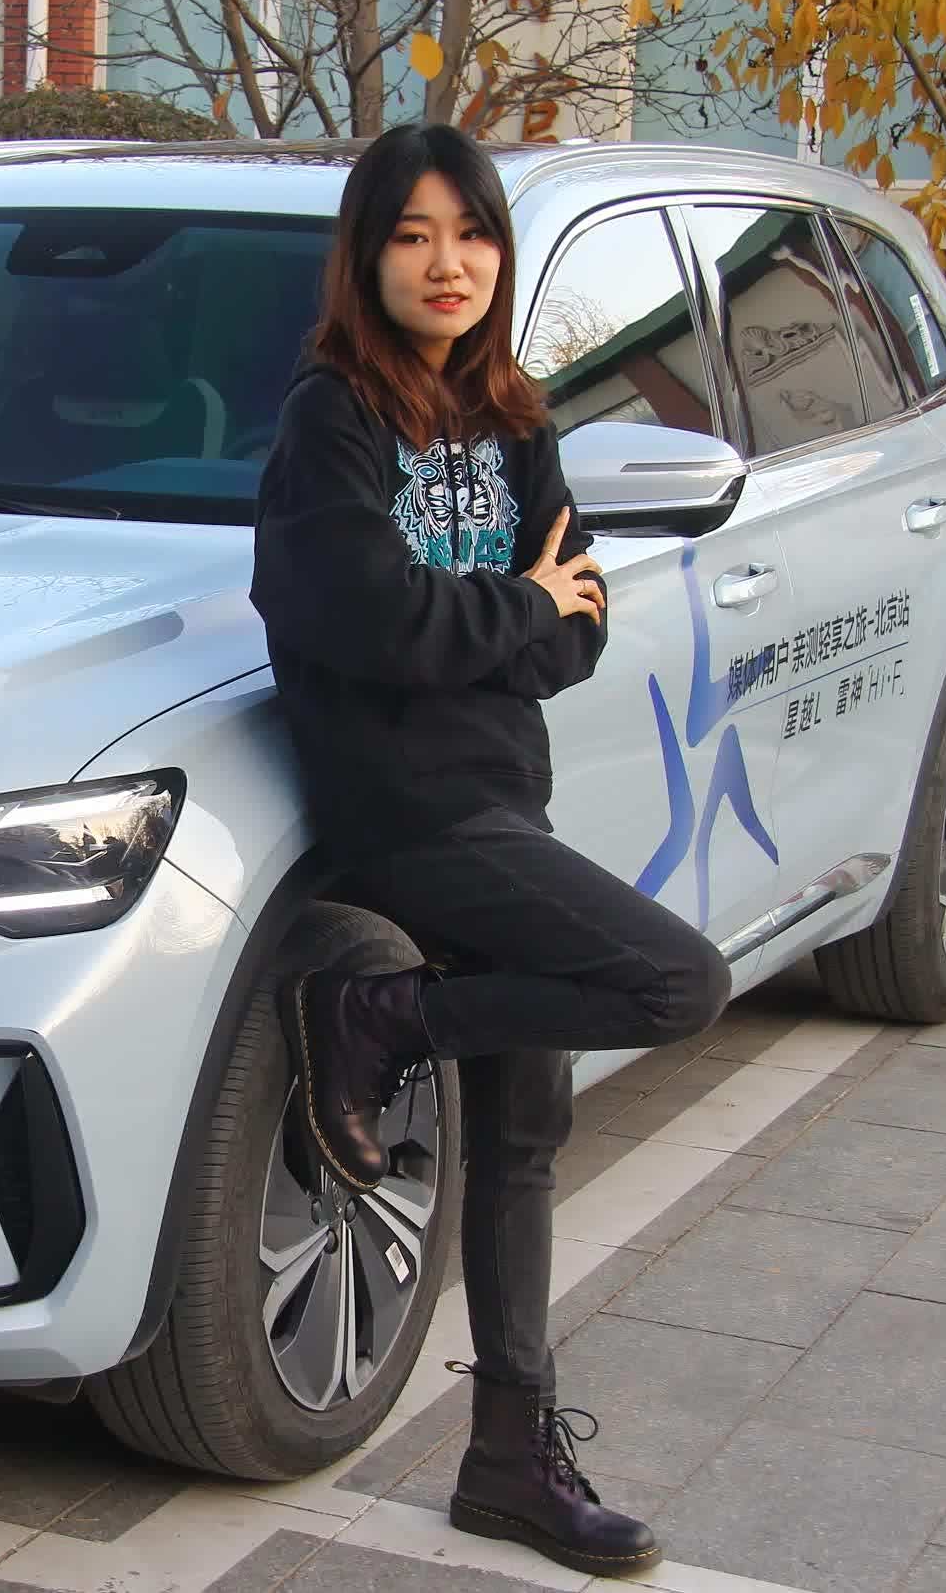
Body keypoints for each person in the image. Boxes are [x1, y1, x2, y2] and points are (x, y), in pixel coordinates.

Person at [249, 122, 732, 1580]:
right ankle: (379, 1016)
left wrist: (505, 619)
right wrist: (514, 610)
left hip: (504, 799)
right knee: (677, 981)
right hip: (405, 813)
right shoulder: (331, 422)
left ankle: (509, 1461)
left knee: (524, 1131)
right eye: (413, 235)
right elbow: (365, 619)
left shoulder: (514, 418)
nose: (447, 263)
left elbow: (581, 627)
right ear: (367, 255)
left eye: (471, 233)